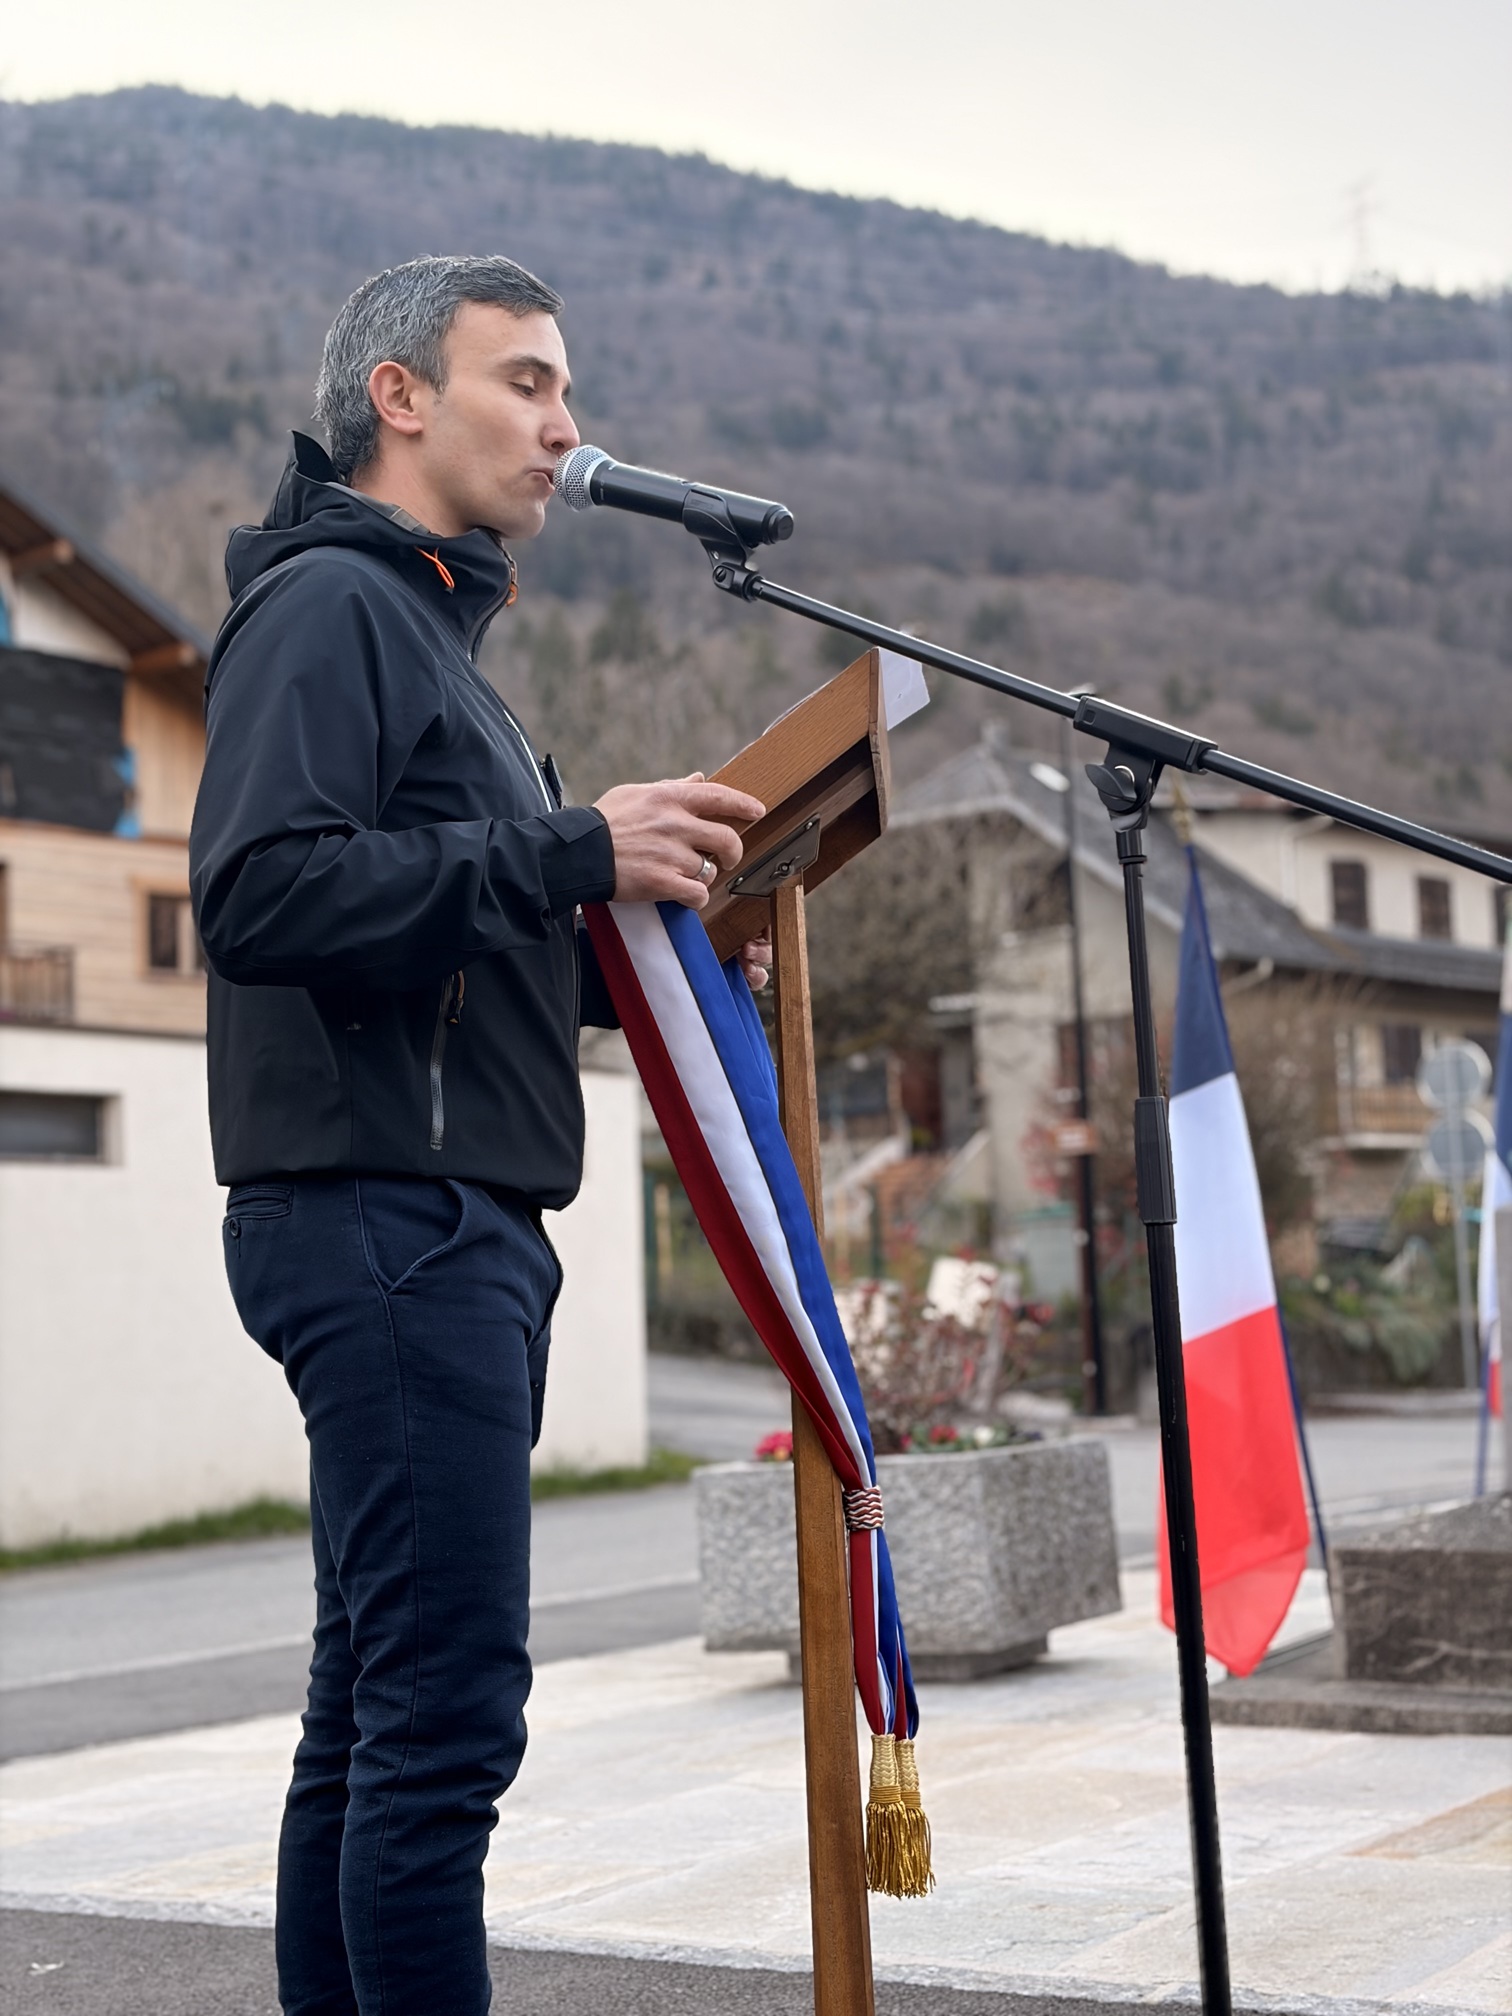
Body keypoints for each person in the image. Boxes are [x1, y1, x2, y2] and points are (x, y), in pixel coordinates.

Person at [189, 254, 769, 2016]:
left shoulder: (444, 653)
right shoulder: (328, 611)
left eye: (565, 388)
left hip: (436, 1219)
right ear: (400, 396)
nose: (567, 425)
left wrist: (650, 944)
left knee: (372, 1719)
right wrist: (565, 853)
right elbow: (263, 895)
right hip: (390, 1222)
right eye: (525, 380)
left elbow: (456, 945)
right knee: (439, 1733)